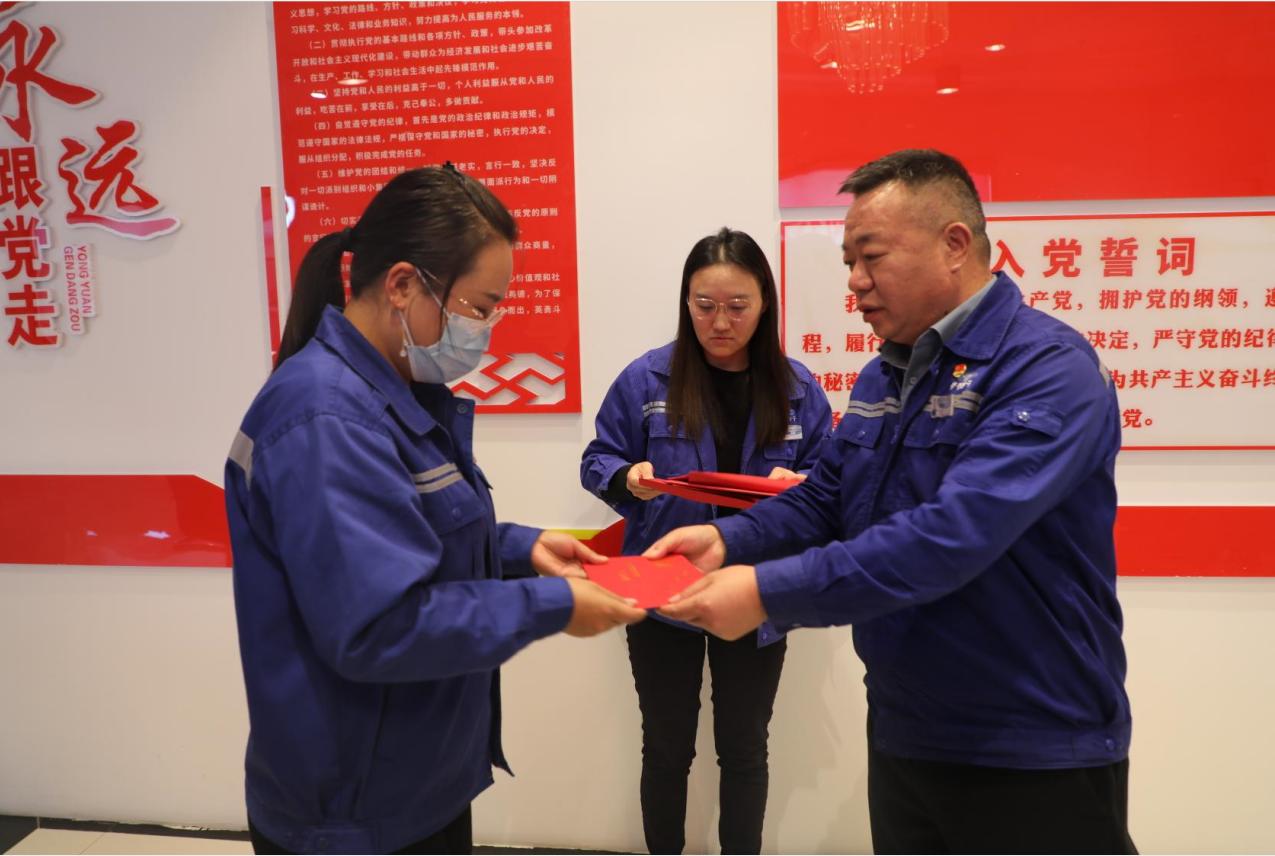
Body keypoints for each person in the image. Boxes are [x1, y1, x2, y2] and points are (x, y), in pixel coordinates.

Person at [649, 151, 1137, 854]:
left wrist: (764, 592)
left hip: (1031, 738)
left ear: (954, 244)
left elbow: (948, 538)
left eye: (871, 256)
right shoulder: (884, 375)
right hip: (906, 728)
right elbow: (826, 497)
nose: (854, 280)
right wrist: (728, 542)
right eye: (849, 261)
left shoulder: (1044, 369)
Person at [224, 164, 647, 855]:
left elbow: (412, 534)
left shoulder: (394, 394)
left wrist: (522, 548)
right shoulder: (326, 419)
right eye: (479, 308)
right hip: (354, 813)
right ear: (402, 285)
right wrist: (555, 605)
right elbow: (379, 625)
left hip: (418, 780)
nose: (485, 330)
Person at [580, 227, 832, 854]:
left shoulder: (798, 388)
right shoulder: (647, 379)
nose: (720, 322)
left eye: (738, 306)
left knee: (744, 749)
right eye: (705, 305)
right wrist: (626, 477)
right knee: (666, 747)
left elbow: (833, 480)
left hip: (754, 587)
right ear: (686, 302)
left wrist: (802, 485)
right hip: (662, 587)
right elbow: (597, 458)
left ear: (765, 303)